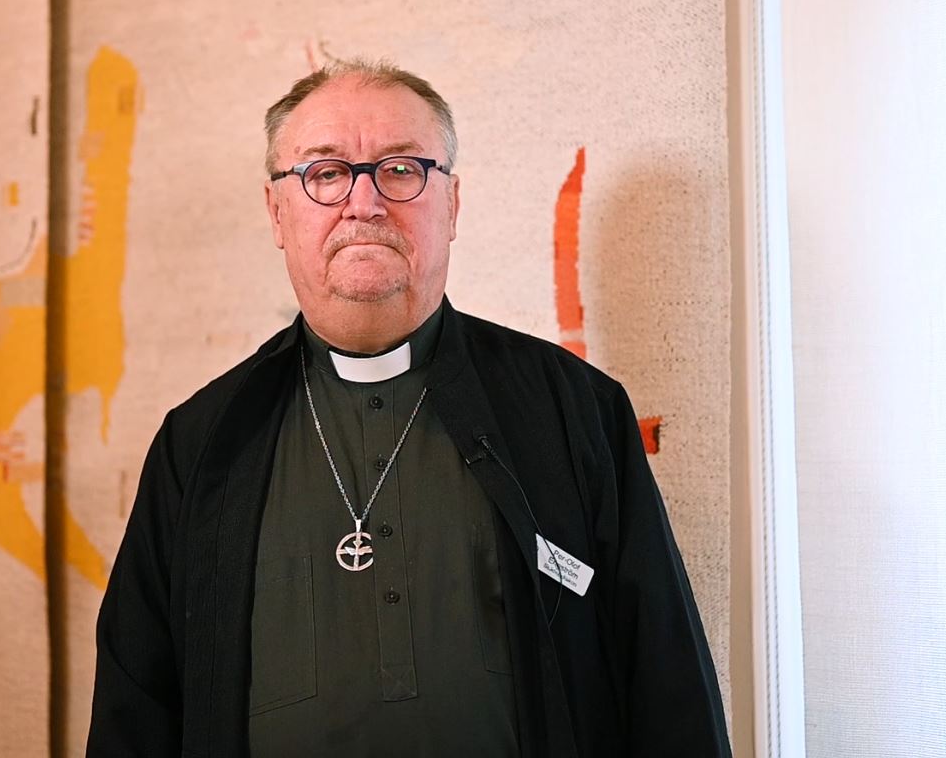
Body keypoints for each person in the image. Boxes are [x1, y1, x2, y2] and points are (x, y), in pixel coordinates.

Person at [87, 60, 731, 757]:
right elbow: (134, 710)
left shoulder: (573, 409)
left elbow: (665, 684)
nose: (363, 203)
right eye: (325, 173)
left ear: (451, 204)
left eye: (400, 170)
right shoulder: (201, 443)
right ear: (277, 213)